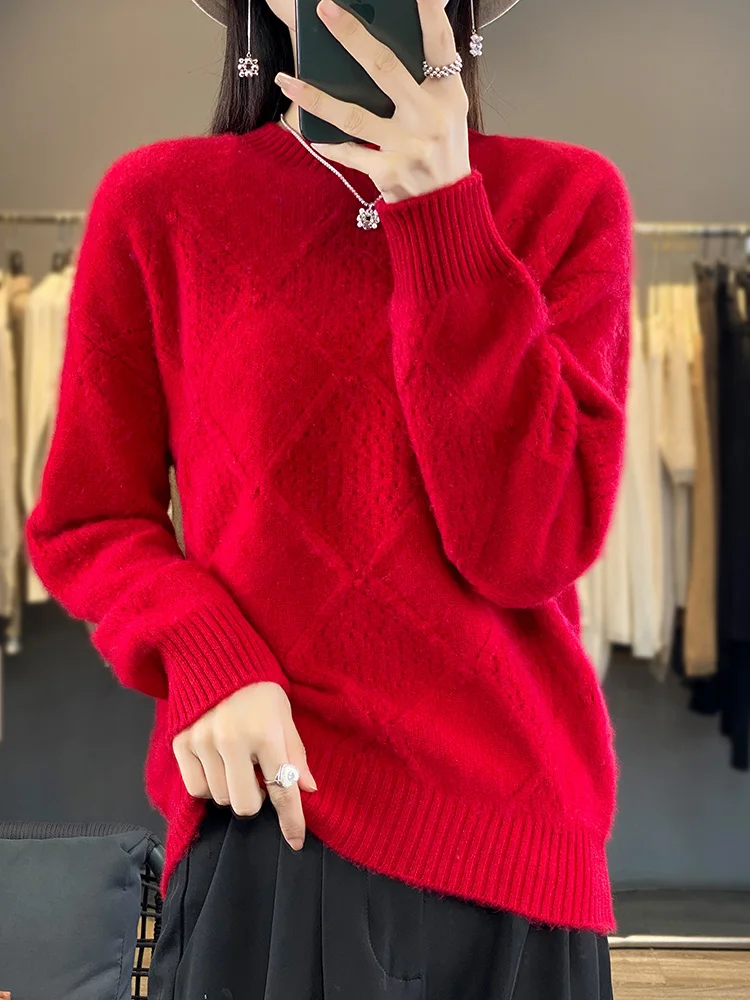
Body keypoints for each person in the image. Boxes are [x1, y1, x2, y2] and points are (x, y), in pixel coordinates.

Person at [25, 0, 633, 996]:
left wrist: (446, 215)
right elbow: (89, 521)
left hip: (517, 849)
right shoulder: (160, 203)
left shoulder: (564, 201)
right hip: (273, 822)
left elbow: (530, 550)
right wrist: (205, 653)